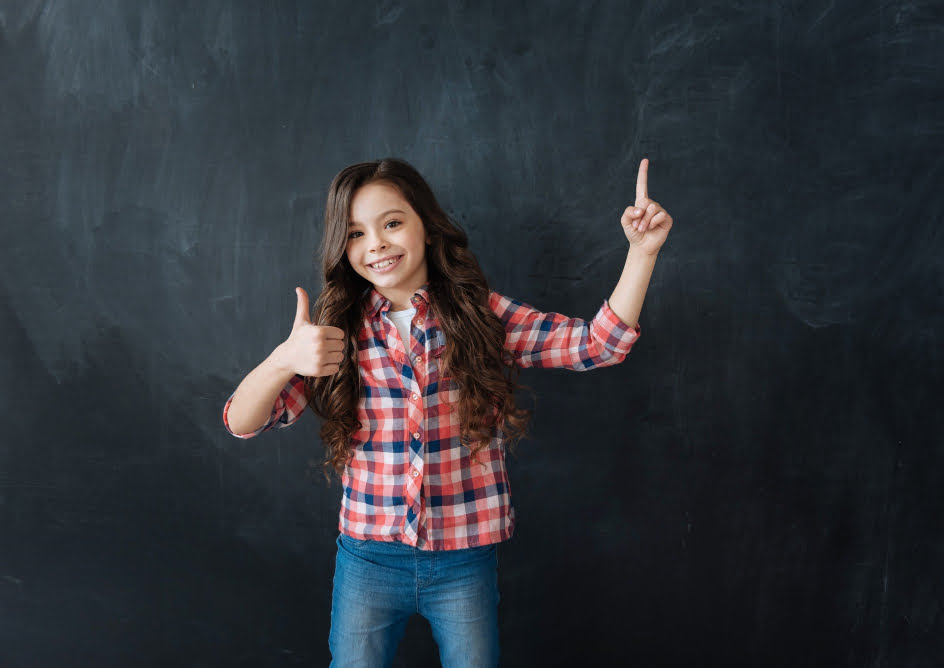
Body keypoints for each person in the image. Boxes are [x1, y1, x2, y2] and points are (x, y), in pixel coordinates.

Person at [223, 157, 672, 667]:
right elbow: (242, 420)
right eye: (355, 233)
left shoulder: (482, 315)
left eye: (391, 222)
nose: (376, 244)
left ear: (427, 228)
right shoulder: (333, 333)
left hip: (464, 559)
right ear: (341, 247)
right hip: (368, 557)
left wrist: (641, 253)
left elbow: (599, 345)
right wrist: (284, 359)